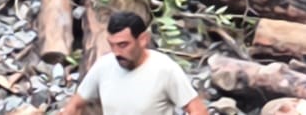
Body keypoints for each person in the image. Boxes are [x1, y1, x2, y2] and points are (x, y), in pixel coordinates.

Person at [58, 12, 210, 115]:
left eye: (123, 45)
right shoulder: (103, 67)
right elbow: (74, 105)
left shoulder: (165, 69)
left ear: (143, 39)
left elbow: (198, 110)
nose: (116, 52)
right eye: (112, 45)